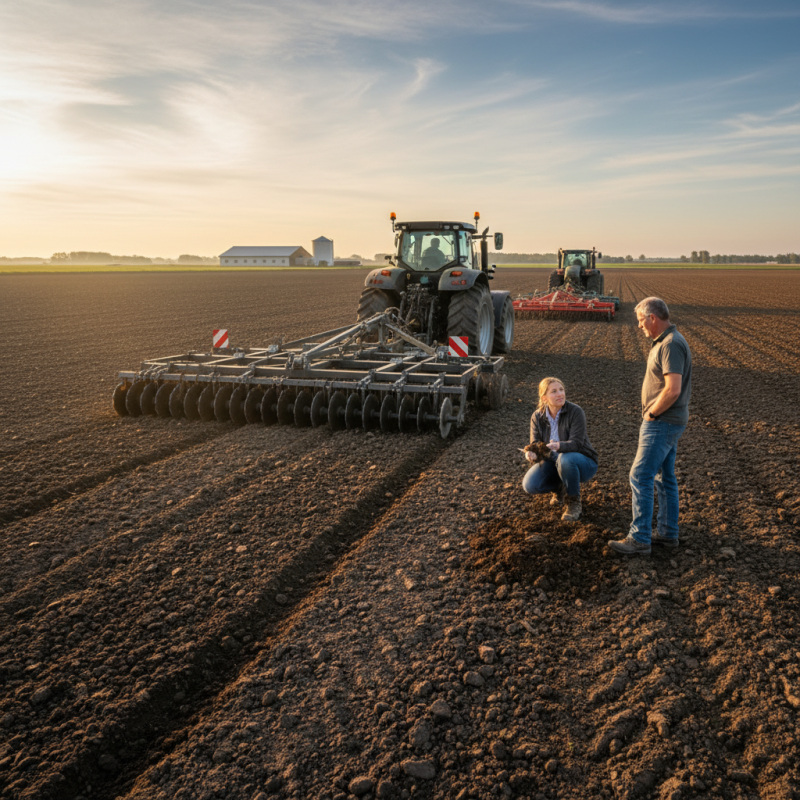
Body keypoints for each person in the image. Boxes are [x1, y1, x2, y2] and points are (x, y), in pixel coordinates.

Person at [609, 297, 692, 556]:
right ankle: (667, 534)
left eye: (640, 320)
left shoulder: (670, 344)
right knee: (663, 478)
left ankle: (640, 538)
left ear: (652, 318)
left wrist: (652, 414)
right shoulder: (667, 341)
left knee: (640, 475)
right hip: (668, 422)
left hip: (662, 422)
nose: (639, 326)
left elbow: (673, 389)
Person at [522, 377, 599, 521]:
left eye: (561, 390)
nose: (560, 394)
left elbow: (577, 443)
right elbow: (535, 444)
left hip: (582, 461)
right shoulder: (537, 417)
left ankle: (574, 503)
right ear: (544, 398)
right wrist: (531, 453)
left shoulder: (575, 412)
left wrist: (559, 446)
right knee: (530, 485)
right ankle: (558, 489)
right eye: (554, 391)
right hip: (554, 462)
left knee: (565, 458)